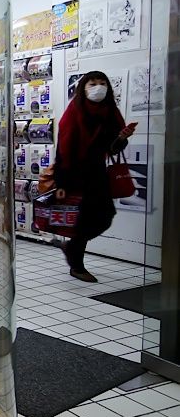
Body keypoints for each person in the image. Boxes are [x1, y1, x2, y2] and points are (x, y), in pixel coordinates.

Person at [54, 71, 136, 282]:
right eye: (92, 84)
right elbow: (63, 149)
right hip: (75, 173)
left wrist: (122, 137)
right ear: (83, 87)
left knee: (105, 216)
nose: (98, 87)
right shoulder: (74, 111)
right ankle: (77, 265)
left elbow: (113, 148)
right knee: (84, 220)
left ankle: (71, 248)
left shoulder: (111, 112)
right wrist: (61, 182)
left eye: (102, 83)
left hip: (97, 172)